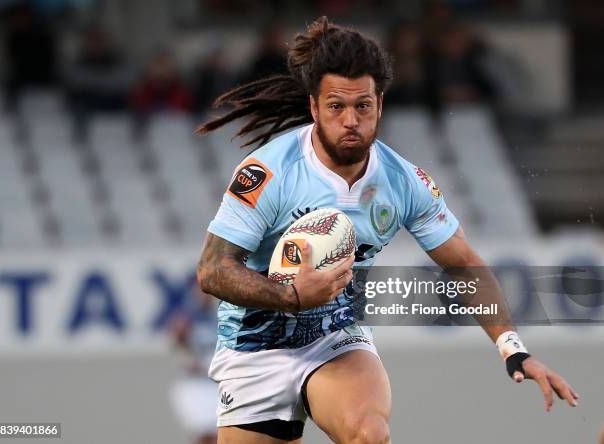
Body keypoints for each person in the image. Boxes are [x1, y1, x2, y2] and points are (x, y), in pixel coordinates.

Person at [196, 17, 579, 443]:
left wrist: (513, 348)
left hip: (335, 340)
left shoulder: (403, 181)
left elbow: (465, 264)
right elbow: (212, 270)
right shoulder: (268, 172)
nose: (351, 121)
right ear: (313, 107)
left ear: (380, 104)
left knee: (368, 434)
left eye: (363, 106)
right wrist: (291, 297)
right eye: (336, 106)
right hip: (254, 350)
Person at [168, 281, 218, 444]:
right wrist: (180, 335)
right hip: (195, 384)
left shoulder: (220, 318)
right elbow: (178, 348)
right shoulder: (186, 320)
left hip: (215, 383)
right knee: (203, 433)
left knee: (220, 433)